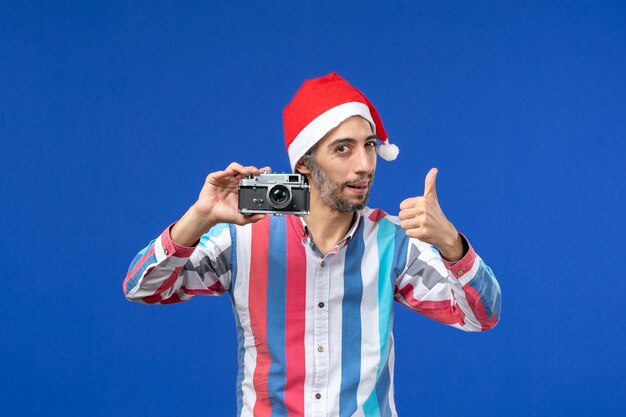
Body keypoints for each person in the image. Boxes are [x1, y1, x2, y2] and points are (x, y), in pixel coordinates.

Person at [123, 72, 501, 417]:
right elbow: (142, 287)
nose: (365, 164)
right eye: (343, 149)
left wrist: (450, 242)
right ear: (304, 162)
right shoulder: (245, 236)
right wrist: (200, 216)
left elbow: (481, 316)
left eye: (369, 145)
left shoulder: (392, 240)